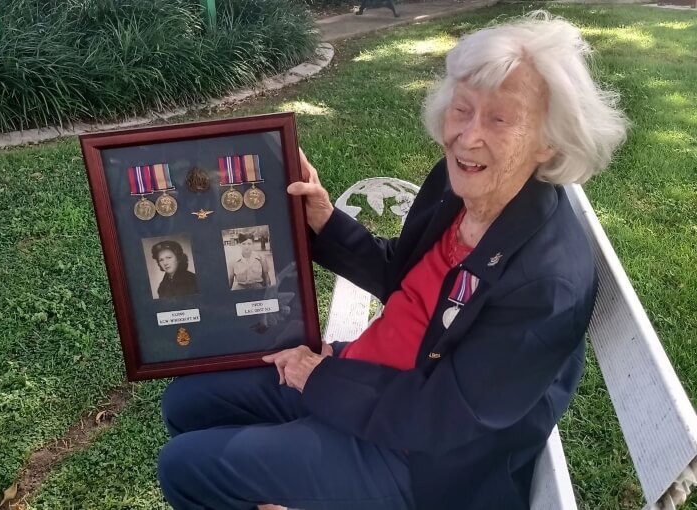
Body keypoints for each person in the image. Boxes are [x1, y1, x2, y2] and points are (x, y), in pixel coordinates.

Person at [157, 11, 628, 510]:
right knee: (187, 402)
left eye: (500, 119)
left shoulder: (545, 282)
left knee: (185, 468)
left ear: (548, 141)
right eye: (462, 109)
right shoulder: (458, 185)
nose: (468, 137)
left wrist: (319, 377)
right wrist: (324, 221)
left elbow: (443, 416)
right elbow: (406, 280)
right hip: (370, 378)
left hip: (418, 461)